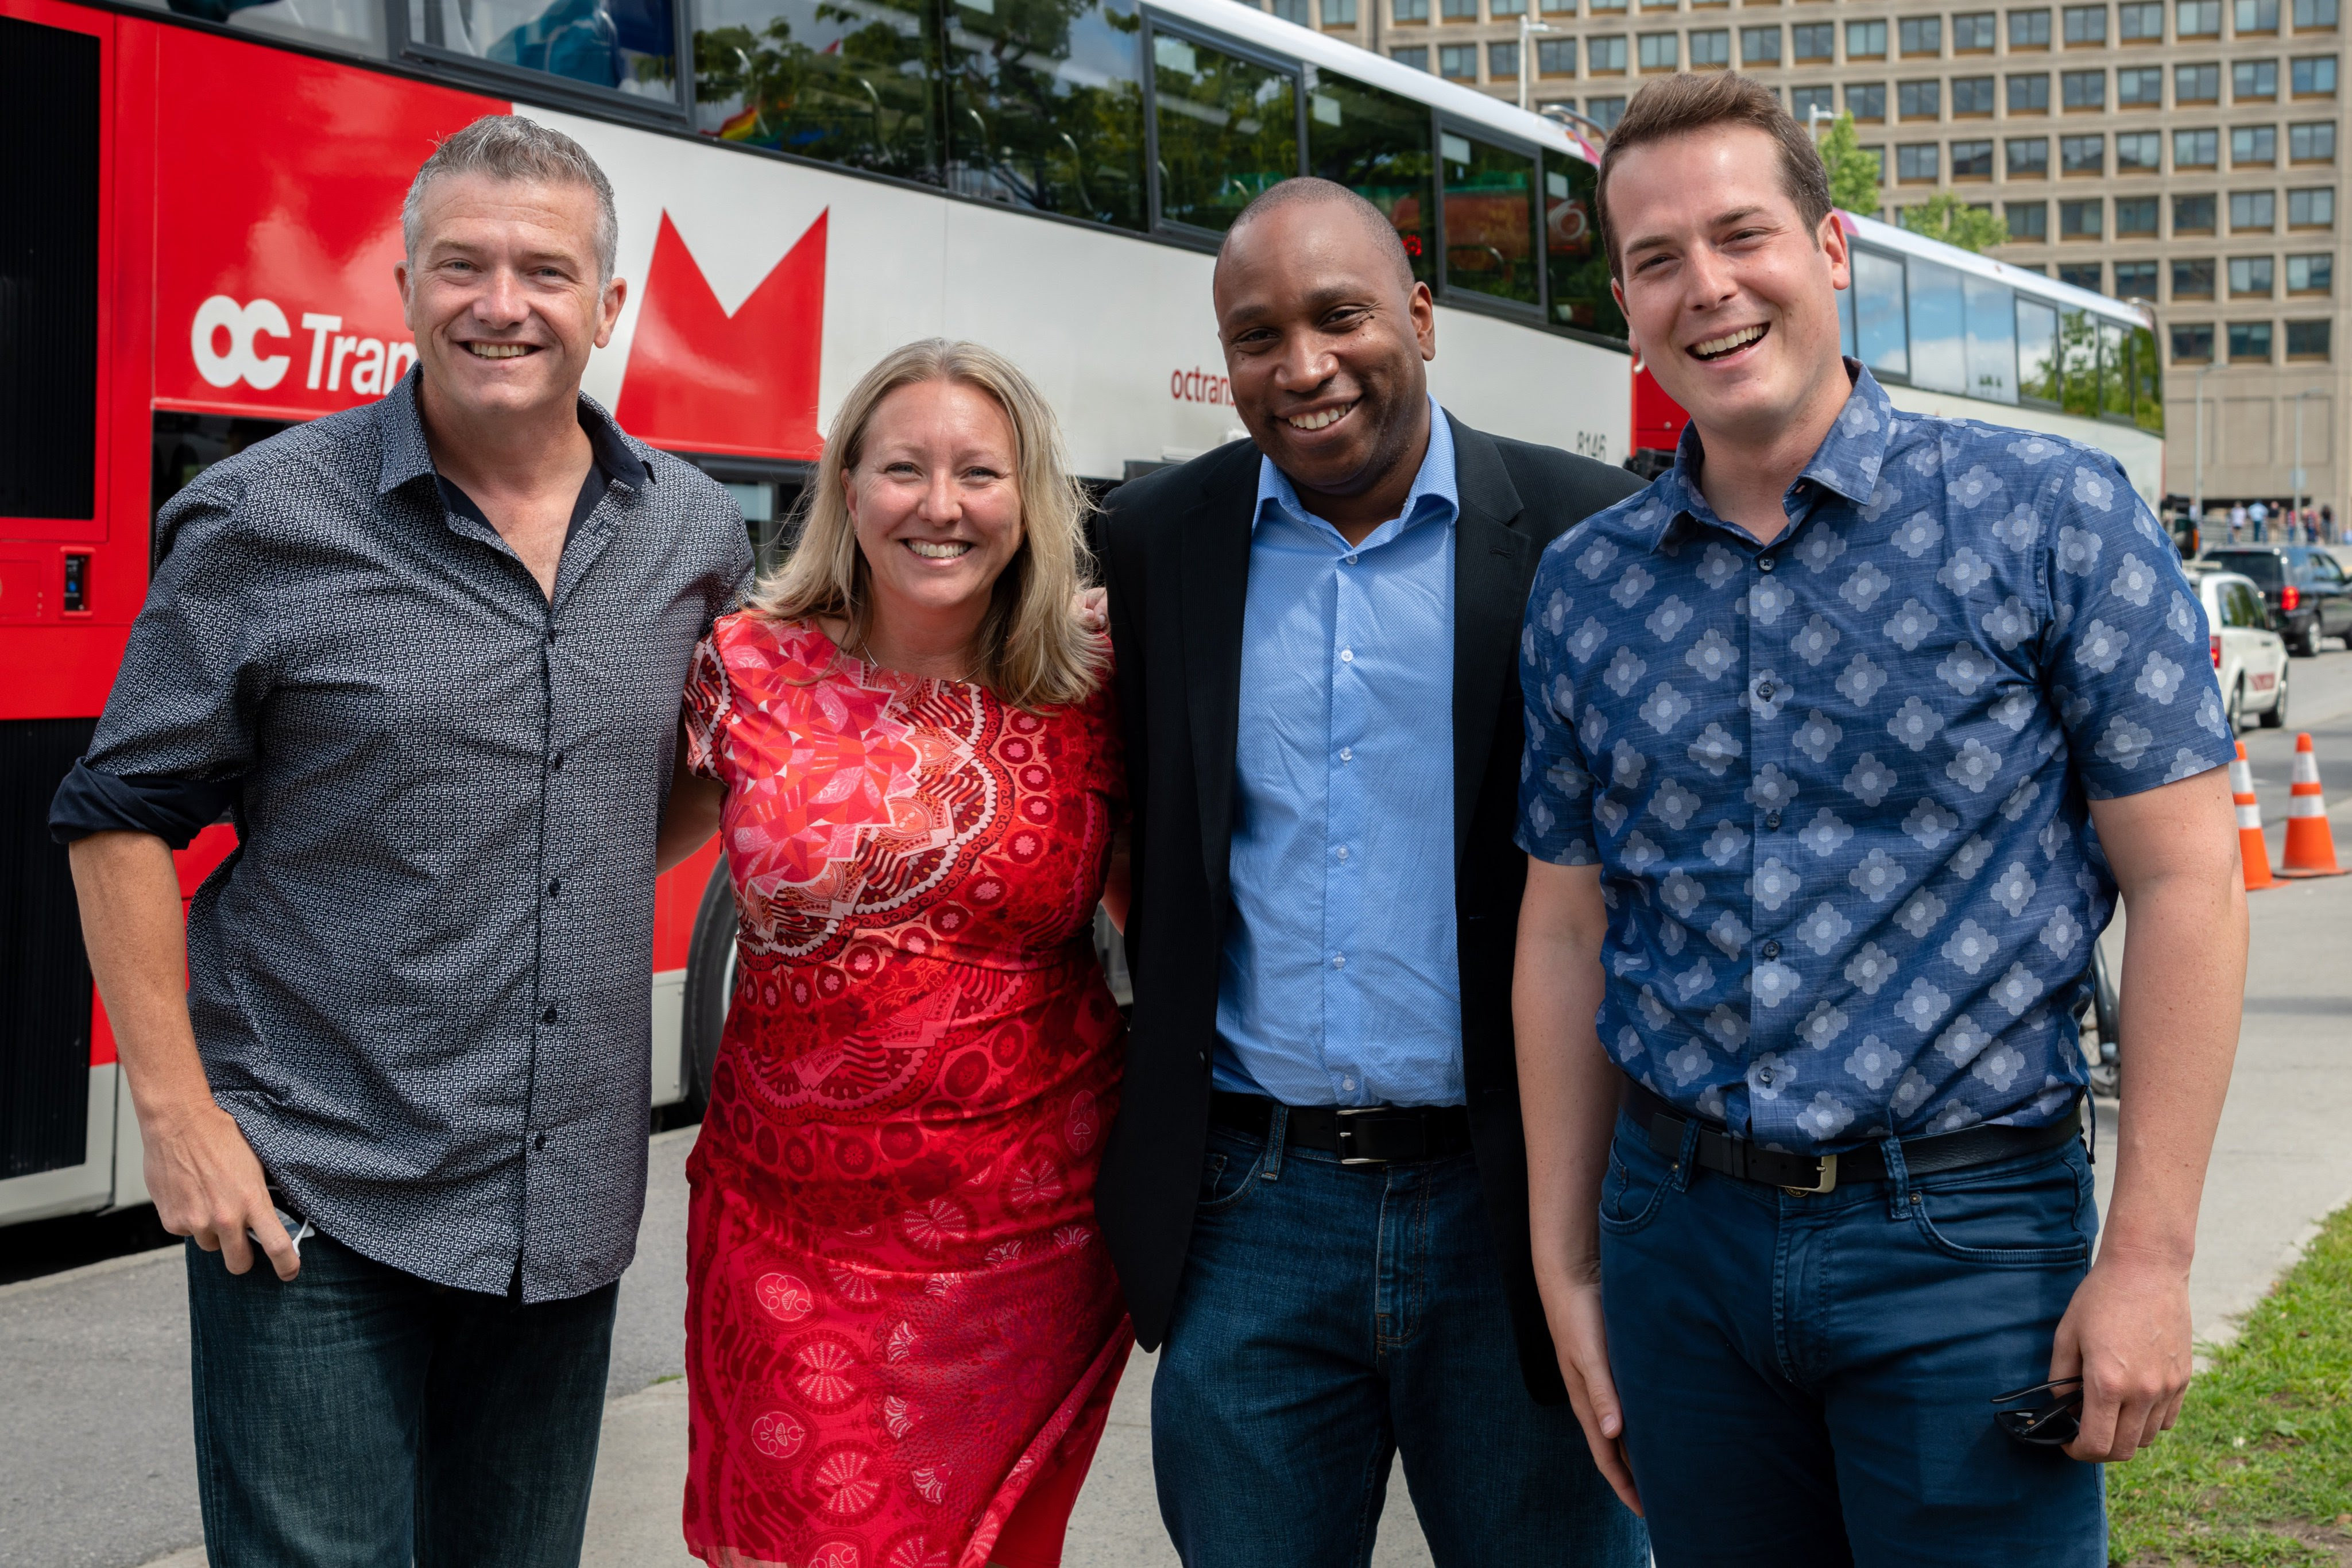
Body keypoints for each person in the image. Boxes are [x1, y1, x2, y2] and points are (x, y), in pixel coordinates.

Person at [1512, 73, 2247, 1565]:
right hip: (1682, 1246)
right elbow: (1567, 923)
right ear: (1626, 303)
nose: (1707, 287)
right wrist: (1567, 1255)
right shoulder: (1586, 585)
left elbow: (2189, 883)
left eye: (1743, 235)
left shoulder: (2052, 516)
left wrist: (2153, 1260)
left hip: (1969, 1245)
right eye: (1658, 259)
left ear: (1830, 249)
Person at [47, 116, 751, 1566]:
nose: (504, 303)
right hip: (311, 1189)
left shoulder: (689, 531)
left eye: (546, 271)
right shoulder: (264, 518)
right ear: (404, 284)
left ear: (609, 306)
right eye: (464, 265)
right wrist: (177, 1120)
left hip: (562, 1202)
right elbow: (117, 816)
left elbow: (696, 775)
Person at [1094, 178, 1651, 1566]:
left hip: (1513, 1208)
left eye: (1339, 315)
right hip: (1249, 1216)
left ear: (1418, 313)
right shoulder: (1154, 542)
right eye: (1255, 335)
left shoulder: (1586, 533)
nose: (1301, 367)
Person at [660, 340, 1132, 1568]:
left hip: (1026, 1251)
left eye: (979, 473)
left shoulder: (1091, 687)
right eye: (902, 469)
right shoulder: (742, 667)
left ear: (1028, 499)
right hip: (789, 1237)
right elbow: (589, 843)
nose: (939, 505)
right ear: (847, 487)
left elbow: (1169, 920)